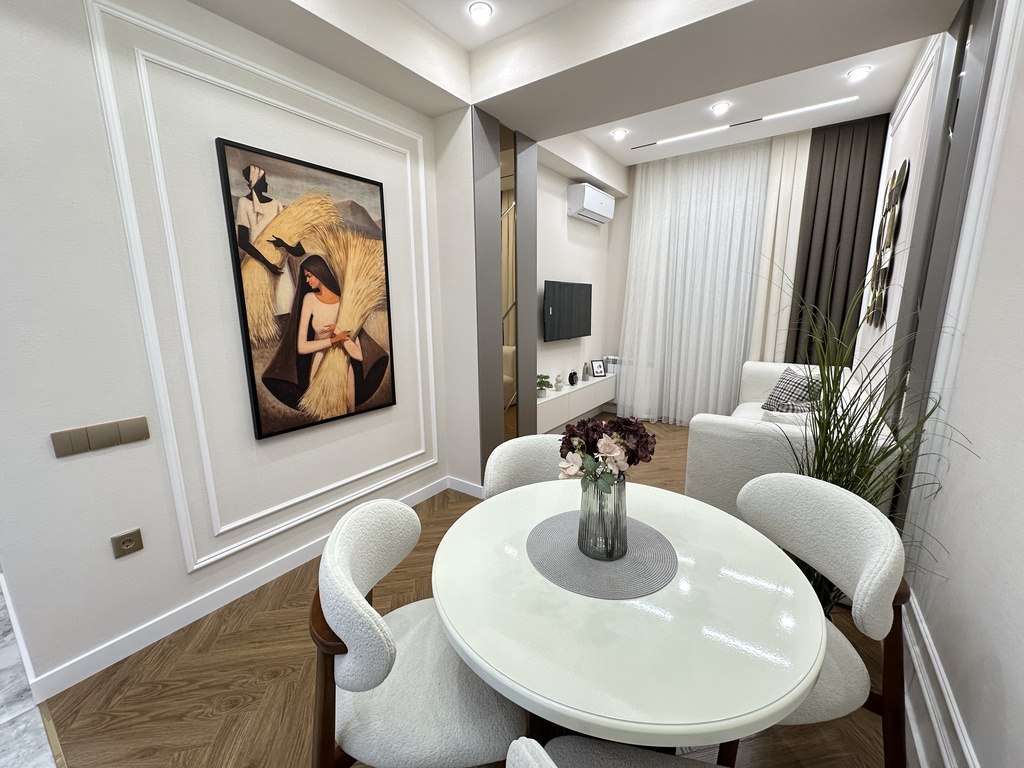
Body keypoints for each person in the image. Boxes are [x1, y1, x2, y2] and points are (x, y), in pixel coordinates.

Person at [262, 254, 388, 415]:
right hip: (319, 363)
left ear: (319, 272)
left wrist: (336, 331)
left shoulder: (345, 304)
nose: (307, 280)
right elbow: (302, 347)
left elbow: (358, 355)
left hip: (343, 364)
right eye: (306, 276)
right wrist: (333, 340)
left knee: (349, 410)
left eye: (309, 276)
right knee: (322, 412)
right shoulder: (309, 299)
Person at [234, 165, 295, 315]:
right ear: (256, 182)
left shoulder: (276, 205)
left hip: (279, 262)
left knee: (285, 306)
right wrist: (267, 264)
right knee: (261, 311)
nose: (267, 184)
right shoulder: (244, 203)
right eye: (264, 180)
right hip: (258, 264)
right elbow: (242, 241)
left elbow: (285, 234)